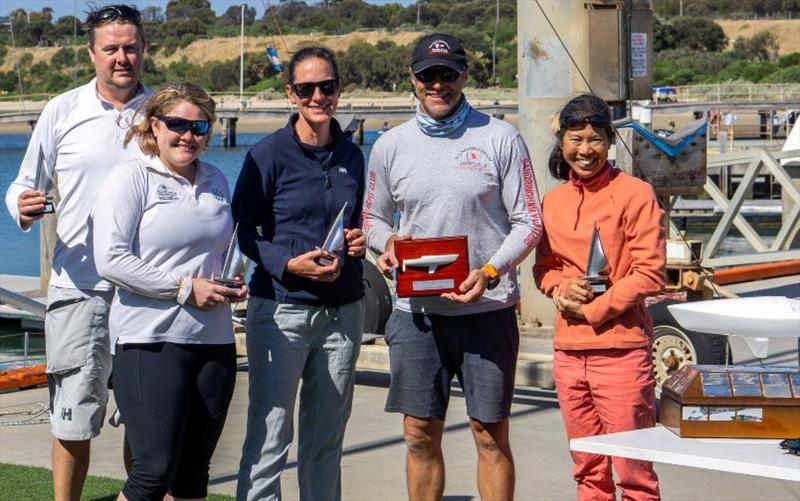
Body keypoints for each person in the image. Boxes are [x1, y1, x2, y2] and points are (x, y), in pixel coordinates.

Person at [363, 34, 542, 501]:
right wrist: (385, 245)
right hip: (416, 315)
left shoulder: (501, 137)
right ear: (412, 79)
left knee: (489, 433)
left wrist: (489, 271)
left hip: (487, 312)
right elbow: (373, 219)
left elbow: (529, 222)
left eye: (447, 74)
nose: (437, 84)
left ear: (464, 75)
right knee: (419, 433)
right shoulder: (389, 145)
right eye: (427, 75)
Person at [3, 5, 149, 500]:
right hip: (79, 289)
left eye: (130, 47)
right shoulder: (61, 110)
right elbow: (25, 183)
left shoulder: (165, 113)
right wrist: (20, 206)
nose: (121, 57)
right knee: (72, 420)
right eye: (111, 48)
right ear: (92, 53)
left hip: (148, 294)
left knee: (144, 425)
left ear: (144, 50)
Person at [93, 82, 246, 500]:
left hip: (214, 342)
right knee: (153, 471)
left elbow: (220, 252)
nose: (188, 136)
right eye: (177, 124)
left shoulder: (215, 179)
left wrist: (232, 280)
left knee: (194, 472)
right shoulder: (130, 178)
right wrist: (183, 289)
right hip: (150, 340)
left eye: (199, 127)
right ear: (154, 126)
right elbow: (110, 260)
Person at [234, 46, 366, 501]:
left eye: (326, 87)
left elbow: (357, 223)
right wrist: (287, 263)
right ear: (291, 93)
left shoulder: (352, 154)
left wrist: (357, 242)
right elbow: (242, 232)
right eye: (306, 88)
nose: (317, 96)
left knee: (325, 442)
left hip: (342, 316)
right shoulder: (266, 155)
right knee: (270, 437)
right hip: (280, 312)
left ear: (338, 91)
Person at [533, 93, 665, 501]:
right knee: (587, 470)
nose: (584, 150)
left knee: (634, 471)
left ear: (609, 141)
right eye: (575, 139)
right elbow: (544, 269)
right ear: (562, 144)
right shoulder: (553, 200)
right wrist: (560, 290)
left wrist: (593, 310)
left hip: (621, 351)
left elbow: (650, 273)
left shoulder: (636, 193)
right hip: (569, 354)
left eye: (594, 139)